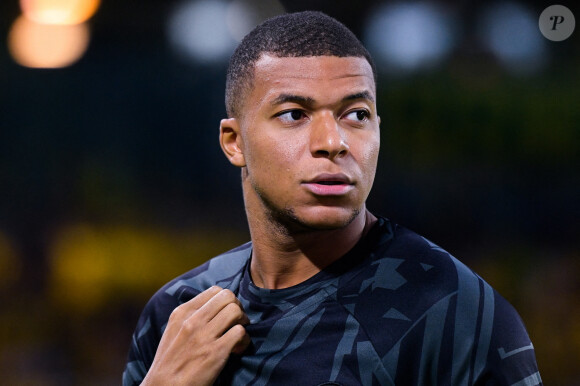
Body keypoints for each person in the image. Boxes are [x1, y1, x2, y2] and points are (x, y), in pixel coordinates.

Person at [123, 11, 542, 386]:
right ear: (234, 142)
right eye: (294, 115)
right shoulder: (177, 314)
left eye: (355, 115)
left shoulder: (454, 312)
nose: (333, 142)